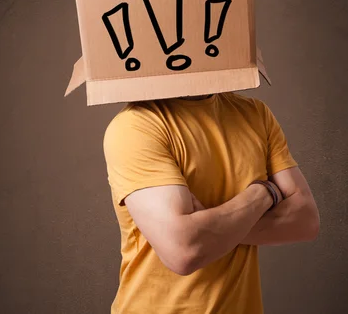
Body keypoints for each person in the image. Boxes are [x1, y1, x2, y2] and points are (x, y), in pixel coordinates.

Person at [103, 91, 320, 314]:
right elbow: (184, 252)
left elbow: (306, 221)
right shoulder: (135, 127)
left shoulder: (255, 114)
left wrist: (206, 229)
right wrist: (263, 193)